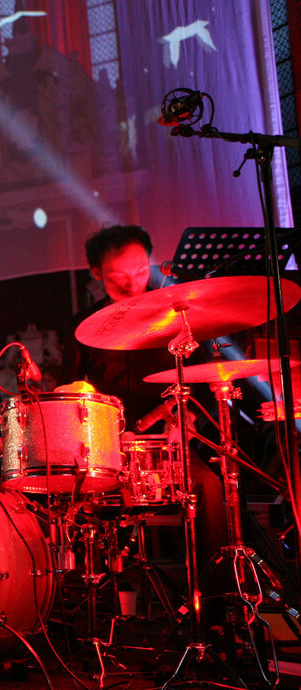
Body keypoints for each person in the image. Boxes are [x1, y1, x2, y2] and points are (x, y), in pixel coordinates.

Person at [58, 225, 225, 576]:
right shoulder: (83, 325)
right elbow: (68, 392)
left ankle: (216, 594)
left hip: (168, 444)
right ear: (97, 273)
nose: (132, 283)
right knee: (70, 494)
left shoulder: (180, 315)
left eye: (140, 271)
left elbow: (206, 380)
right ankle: (100, 593)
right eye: (118, 275)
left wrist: (189, 420)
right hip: (110, 448)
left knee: (209, 486)